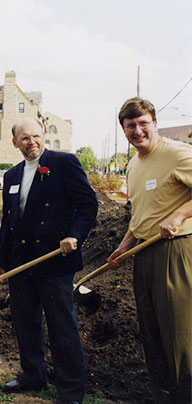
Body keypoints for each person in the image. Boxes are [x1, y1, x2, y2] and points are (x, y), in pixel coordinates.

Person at [0, 117, 98, 404]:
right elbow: (8, 221)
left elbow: (88, 204)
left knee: (62, 326)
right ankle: (33, 376)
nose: (32, 142)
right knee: (25, 323)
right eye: (24, 138)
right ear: (15, 143)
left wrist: (75, 235)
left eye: (36, 136)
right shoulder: (12, 176)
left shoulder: (64, 163)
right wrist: (1, 262)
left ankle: (71, 391)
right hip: (21, 264)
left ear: (44, 136)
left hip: (55, 262)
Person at [108, 97, 192, 404]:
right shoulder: (133, 165)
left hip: (175, 250)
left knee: (179, 333)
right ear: (124, 130)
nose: (138, 131)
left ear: (155, 123)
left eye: (144, 123)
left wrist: (180, 214)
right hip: (142, 252)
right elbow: (140, 216)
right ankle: (165, 397)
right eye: (131, 126)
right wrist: (123, 247)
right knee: (151, 330)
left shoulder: (177, 153)